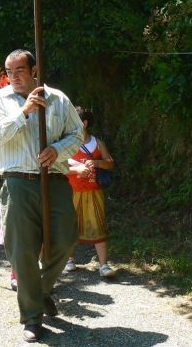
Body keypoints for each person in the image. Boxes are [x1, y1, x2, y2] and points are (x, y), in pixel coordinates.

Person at [0, 49, 83, 343]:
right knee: (22, 251)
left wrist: (58, 150)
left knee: (66, 238)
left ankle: (38, 292)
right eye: (9, 71)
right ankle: (31, 317)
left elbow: (76, 134)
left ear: (34, 69)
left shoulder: (58, 99)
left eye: (20, 70)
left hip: (54, 179)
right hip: (17, 181)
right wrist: (23, 112)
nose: (13, 77)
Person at [64, 107, 117, 278]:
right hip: (71, 190)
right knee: (70, 225)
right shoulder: (66, 143)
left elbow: (110, 163)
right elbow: (59, 165)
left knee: (99, 225)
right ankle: (69, 260)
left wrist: (96, 162)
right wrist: (77, 168)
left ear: (85, 123)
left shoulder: (97, 142)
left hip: (94, 191)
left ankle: (103, 265)